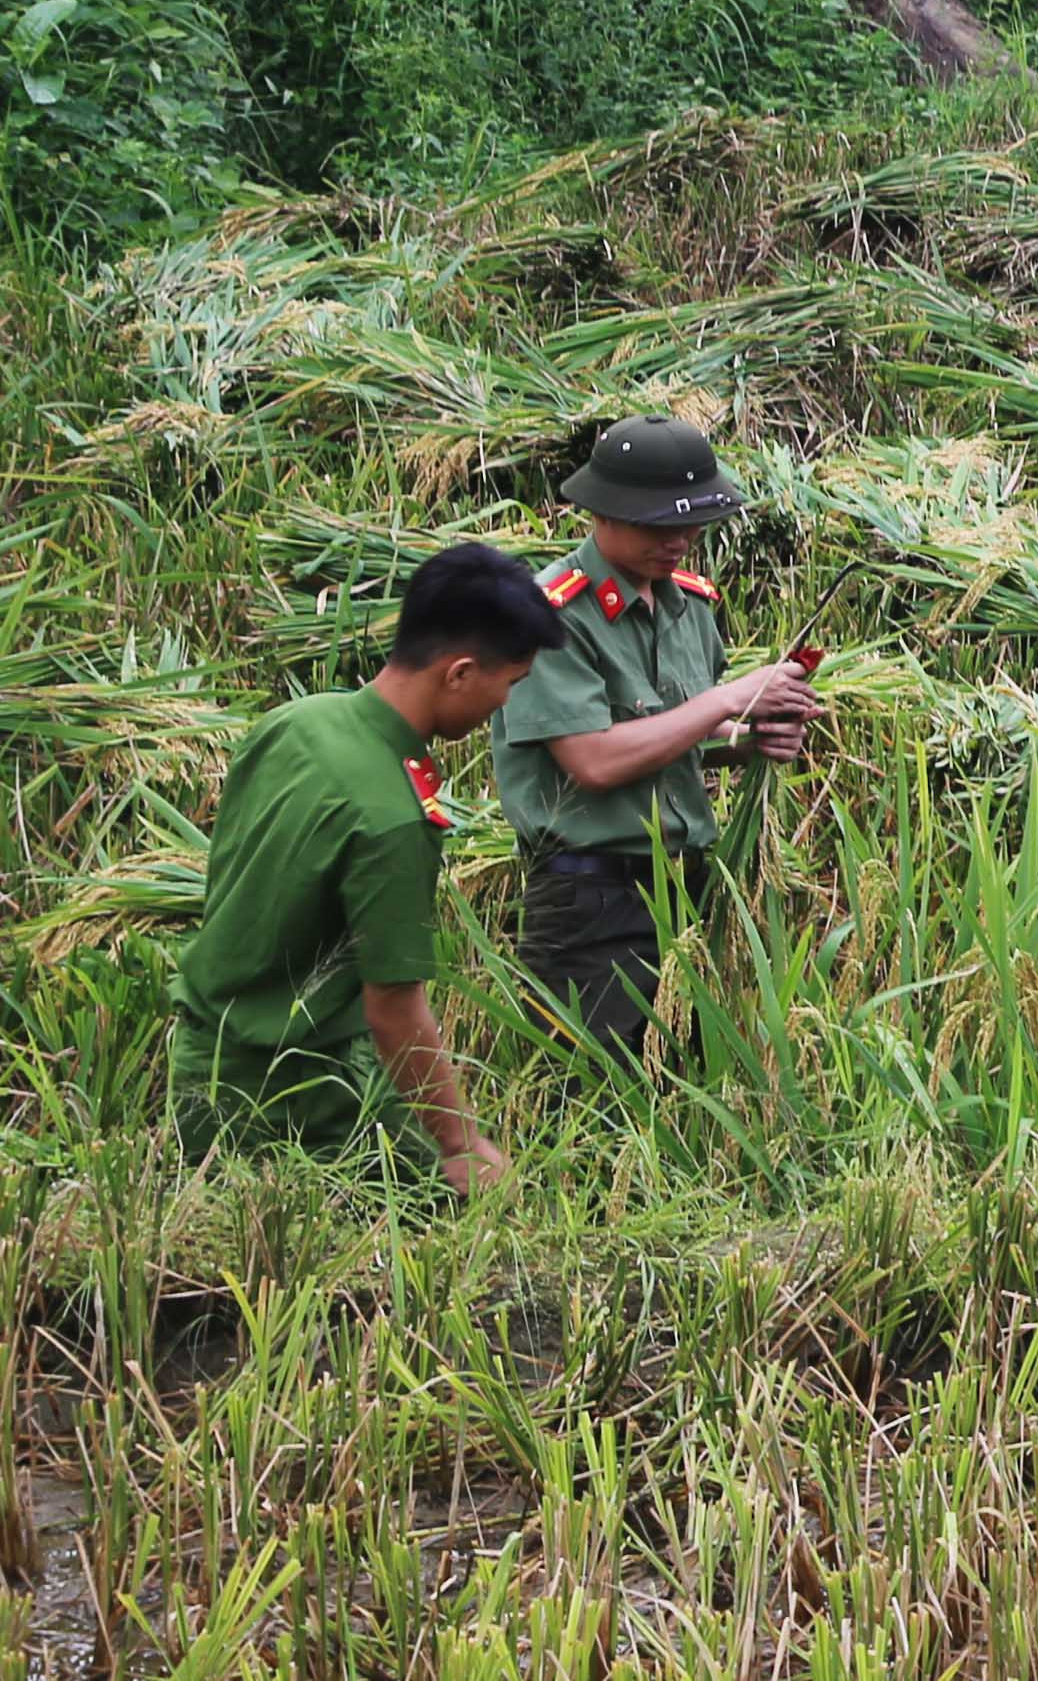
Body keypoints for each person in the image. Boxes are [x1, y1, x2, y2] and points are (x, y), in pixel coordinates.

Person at [175, 545, 570, 1191]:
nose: (506, 704)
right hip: (297, 1099)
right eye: (512, 683)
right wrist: (461, 1143)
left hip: (200, 1064)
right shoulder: (392, 816)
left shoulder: (293, 723)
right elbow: (392, 1008)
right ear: (461, 673)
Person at [493, 417, 823, 1052]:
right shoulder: (549, 616)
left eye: (691, 525)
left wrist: (748, 740)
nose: (679, 541)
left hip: (684, 890)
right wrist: (725, 700)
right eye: (659, 525)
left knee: (686, 1090)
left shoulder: (688, 607)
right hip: (590, 899)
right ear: (602, 514)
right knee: (597, 1098)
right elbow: (594, 761)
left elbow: (677, 739)